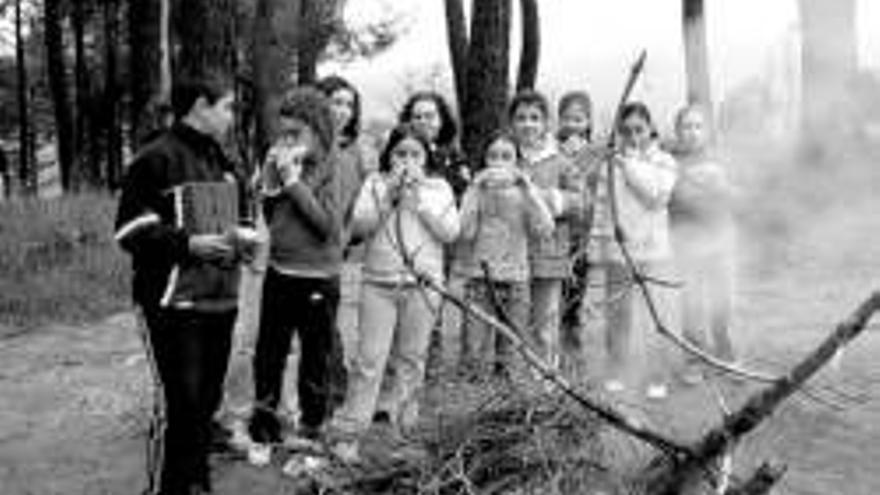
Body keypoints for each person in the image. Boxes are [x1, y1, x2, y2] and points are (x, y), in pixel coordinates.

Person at [114, 73, 256, 495]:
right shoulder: (154, 158)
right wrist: (188, 243)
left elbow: (241, 219)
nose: (232, 116)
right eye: (227, 107)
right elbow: (128, 231)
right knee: (180, 405)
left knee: (206, 406)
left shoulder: (225, 162)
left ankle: (197, 485)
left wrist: (243, 241)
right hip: (169, 304)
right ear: (199, 105)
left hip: (220, 301)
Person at [331, 124, 460, 461]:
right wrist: (387, 197)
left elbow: (450, 232)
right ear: (389, 156)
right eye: (400, 153)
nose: (407, 161)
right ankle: (349, 437)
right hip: (378, 284)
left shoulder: (439, 188)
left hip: (423, 286)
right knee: (369, 362)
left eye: (415, 154)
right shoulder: (375, 183)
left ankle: (403, 439)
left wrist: (420, 203)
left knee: (411, 363)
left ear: (426, 157)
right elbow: (359, 226)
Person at [248, 87, 343, 449]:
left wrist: (292, 182)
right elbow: (270, 214)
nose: (287, 141)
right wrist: (270, 179)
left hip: (318, 277)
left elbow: (326, 227)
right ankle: (265, 427)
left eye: (296, 134)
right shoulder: (283, 160)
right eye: (283, 133)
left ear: (319, 130)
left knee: (315, 359)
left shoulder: (333, 166)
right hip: (279, 272)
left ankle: (312, 429)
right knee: (269, 353)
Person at [595, 101, 678, 399]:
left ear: (651, 129)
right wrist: (603, 242)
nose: (633, 136)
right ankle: (617, 369)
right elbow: (604, 207)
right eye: (626, 130)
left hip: (653, 251)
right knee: (618, 314)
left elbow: (655, 196)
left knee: (653, 316)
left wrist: (627, 165)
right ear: (619, 131)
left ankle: (656, 375)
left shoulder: (665, 161)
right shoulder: (611, 162)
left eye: (639, 129)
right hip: (619, 250)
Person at [458, 129, 555, 381]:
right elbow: (465, 233)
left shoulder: (525, 192)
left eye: (506, 156)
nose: (499, 162)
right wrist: (472, 189)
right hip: (481, 279)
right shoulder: (477, 191)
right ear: (485, 161)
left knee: (511, 354)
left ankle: (505, 409)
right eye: (493, 156)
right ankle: (472, 407)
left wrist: (529, 190)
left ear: (517, 162)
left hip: (516, 280)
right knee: (474, 352)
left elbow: (545, 228)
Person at [508, 89, 584, 371]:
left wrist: (546, 198)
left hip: (548, 254)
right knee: (513, 322)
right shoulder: (506, 156)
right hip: (509, 254)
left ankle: (545, 382)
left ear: (545, 123)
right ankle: (513, 382)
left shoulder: (561, 161)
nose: (528, 124)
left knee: (545, 323)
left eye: (535, 118)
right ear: (512, 124)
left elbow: (579, 203)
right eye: (521, 118)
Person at [398, 91, 471, 379]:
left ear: (442, 120)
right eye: (416, 116)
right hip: (405, 239)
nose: (423, 121)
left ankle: (431, 362)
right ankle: (402, 365)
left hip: (441, 235)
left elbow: (461, 195)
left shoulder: (453, 157)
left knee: (433, 301)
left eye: (430, 115)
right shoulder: (400, 151)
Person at [315, 75, 377, 411]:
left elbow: (362, 203)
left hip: (340, 249)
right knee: (318, 323)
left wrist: (350, 236)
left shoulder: (356, 153)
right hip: (303, 248)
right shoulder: (306, 145)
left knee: (334, 322)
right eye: (335, 102)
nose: (343, 110)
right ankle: (326, 392)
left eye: (349, 104)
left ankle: (334, 393)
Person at [668, 104, 737, 384]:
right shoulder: (671, 161)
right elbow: (666, 198)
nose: (693, 132)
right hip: (686, 240)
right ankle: (694, 360)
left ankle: (726, 354)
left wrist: (721, 186)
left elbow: (736, 196)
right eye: (687, 126)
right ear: (678, 131)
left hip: (719, 239)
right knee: (692, 302)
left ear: (707, 131)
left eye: (698, 126)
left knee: (723, 300)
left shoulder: (720, 160)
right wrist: (684, 182)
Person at [555, 90, 604, 378]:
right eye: (567, 118)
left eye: (579, 118)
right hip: (556, 236)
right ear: (558, 121)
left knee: (575, 299)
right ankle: (552, 356)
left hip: (583, 237)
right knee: (552, 299)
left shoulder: (596, 153)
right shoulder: (551, 151)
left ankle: (574, 355)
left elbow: (598, 193)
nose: (573, 124)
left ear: (588, 122)